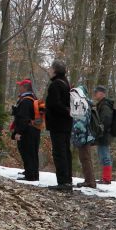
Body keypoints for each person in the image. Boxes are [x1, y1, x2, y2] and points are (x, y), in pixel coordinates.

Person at [45, 59, 73, 192]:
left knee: (59, 152)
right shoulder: (66, 83)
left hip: (57, 124)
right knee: (66, 152)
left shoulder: (55, 85)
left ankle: (63, 182)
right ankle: (68, 181)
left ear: (55, 70)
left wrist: (47, 108)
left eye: (50, 68)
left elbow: (55, 104)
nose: (49, 70)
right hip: (67, 124)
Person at [11, 78, 41, 181]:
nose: (19, 88)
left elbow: (23, 118)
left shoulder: (26, 101)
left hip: (27, 130)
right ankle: (32, 173)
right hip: (34, 129)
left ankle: (30, 175)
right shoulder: (33, 98)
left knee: (27, 152)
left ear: (25, 88)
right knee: (32, 152)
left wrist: (18, 132)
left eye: (20, 86)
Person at [92, 85, 114, 184]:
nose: (94, 95)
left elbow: (106, 120)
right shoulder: (102, 104)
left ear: (101, 93)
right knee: (103, 155)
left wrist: (100, 130)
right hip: (103, 134)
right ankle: (105, 177)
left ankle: (107, 178)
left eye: (96, 92)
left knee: (105, 156)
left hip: (104, 135)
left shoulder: (104, 105)